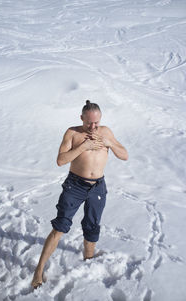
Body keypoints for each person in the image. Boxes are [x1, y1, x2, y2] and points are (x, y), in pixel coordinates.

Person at [31, 100, 128, 289]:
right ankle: (39, 270)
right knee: (60, 226)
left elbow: (124, 155)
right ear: (81, 118)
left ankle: (88, 262)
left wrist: (109, 143)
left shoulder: (106, 132)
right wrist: (83, 147)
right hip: (75, 185)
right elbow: (60, 160)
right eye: (88, 123)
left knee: (92, 227)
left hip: (98, 187)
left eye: (96, 123)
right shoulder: (72, 133)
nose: (92, 127)